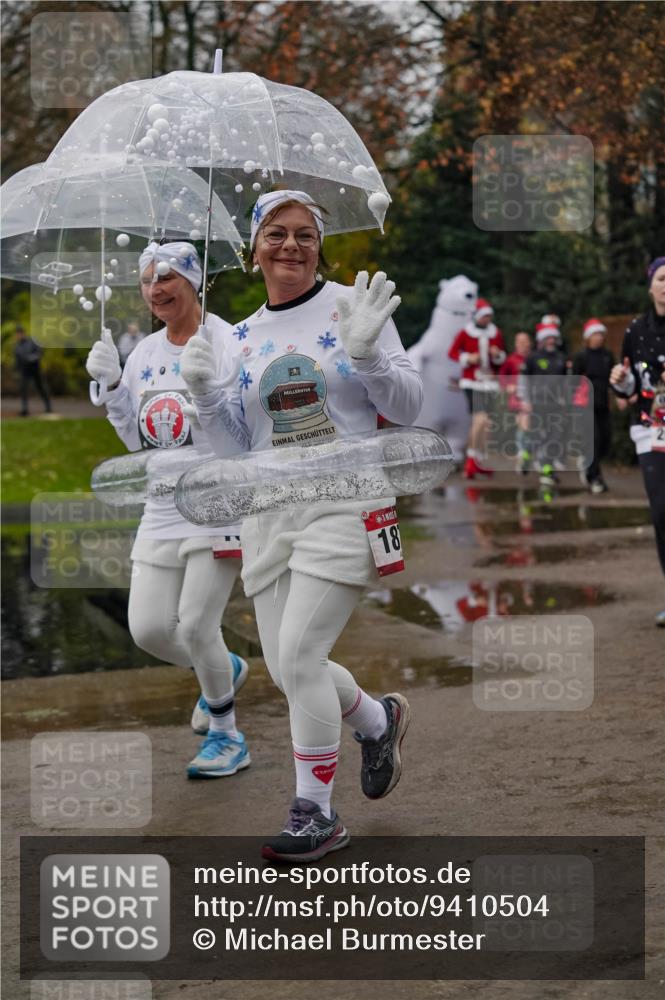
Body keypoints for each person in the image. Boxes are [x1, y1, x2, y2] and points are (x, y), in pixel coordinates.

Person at [181, 190, 423, 862]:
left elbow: (406, 408)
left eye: (304, 235)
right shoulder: (233, 338)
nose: (290, 246)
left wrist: (369, 353)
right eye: (276, 234)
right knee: (290, 670)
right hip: (268, 512)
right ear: (252, 248)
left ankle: (313, 814)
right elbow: (234, 450)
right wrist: (203, 396)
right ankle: (377, 722)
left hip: (346, 502)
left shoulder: (354, 305)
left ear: (320, 244)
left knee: (300, 657)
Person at [85, 241, 251, 776]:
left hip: (218, 502)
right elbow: (138, 440)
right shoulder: (146, 354)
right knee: (151, 630)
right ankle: (222, 670)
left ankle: (227, 735)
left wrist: (206, 395)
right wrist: (113, 387)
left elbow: (241, 439)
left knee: (199, 625)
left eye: (167, 278)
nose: (156, 290)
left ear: (193, 280)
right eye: (147, 281)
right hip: (160, 507)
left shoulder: (228, 341)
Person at [610, 256, 665, 627]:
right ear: (650, 287)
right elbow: (628, 389)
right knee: (662, 513)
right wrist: (620, 379)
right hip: (651, 430)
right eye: (662, 278)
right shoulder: (636, 330)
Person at [448, 298, 506, 478]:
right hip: (472, 382)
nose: (487, 320)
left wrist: (497, 356)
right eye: (484, 316)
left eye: (489, 316)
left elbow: (501, 357)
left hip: (490, 383)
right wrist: (468, 358)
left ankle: (478, 459)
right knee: (480, 420)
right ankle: (471, 460)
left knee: (487, 424)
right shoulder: (466, 333)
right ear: (477, 317)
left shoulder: (495, 333)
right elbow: (452, 353)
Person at [522, 321, 569, 486]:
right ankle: (526, 455)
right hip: (537, 403)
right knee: (536, 435)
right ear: (542, 339)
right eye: (548, 337)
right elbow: (525, 381)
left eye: (553, 338)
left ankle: (547, 470)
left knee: (554, 436)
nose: (551, 341)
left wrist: (565, 400)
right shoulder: (533, 358)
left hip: (556, 404)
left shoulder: (562, 359)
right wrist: (526, 400)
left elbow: (566, 382)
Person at [572, 319, 615, 493]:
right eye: (594, 335)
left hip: (603, 402)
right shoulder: (581, 356)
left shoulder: (608, 356)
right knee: (594, 440)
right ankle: (595, 477)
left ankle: (587, 463)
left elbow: (614, 379)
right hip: (585, 404)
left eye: (600, 335)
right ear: (588, 337)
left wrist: (618, 396)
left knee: (605, 440)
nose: (598, 338)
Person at [499, 331, 532, 473]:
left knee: (530, 427)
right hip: (518, 399)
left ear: (530, 343)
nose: (523, 345)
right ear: (516, 344)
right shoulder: (511, 360)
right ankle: (522, 454)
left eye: (525, 341)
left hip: (535, 397)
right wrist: (508, 386)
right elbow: (502, 377)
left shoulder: (535, 358)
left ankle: (526, 453)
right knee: (524, 425)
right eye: (520, 342)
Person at [14, 324, 51, 416]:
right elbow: (17, 360)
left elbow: (39, 351)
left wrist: (32, 358)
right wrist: (16, 370)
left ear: (23, 333)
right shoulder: (17, 346)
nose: (18, 336)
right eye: (17, 334)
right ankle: (24, 409)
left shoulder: (32, 341)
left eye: (20, 333)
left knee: (41, 387)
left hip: (35, 369)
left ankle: (48, 406)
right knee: (23, 389)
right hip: (24, 370)